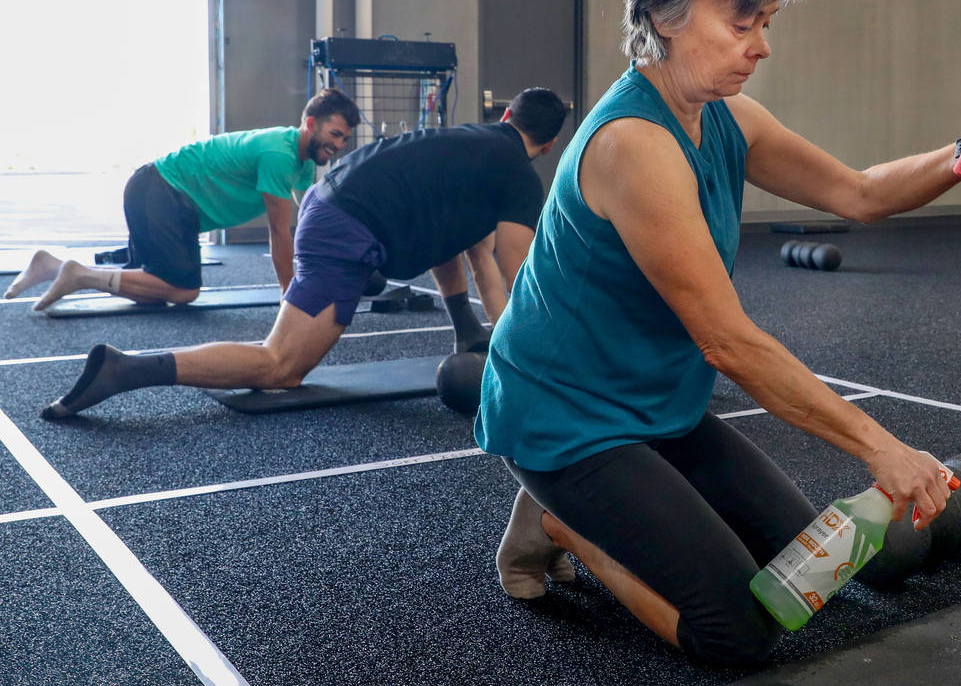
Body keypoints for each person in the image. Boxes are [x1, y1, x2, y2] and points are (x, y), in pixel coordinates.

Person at [474, 0, 961, 665]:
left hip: (655, 406)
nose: (761, 46)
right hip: (565, 417)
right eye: (742, 24)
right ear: (664, 14)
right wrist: (882, 448)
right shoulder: (633, 146)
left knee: (812, 570)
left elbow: (859, 192)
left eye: (766, 23)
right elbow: (729, 343)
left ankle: (586, 515)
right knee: (739, 631)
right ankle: (558, 523)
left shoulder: (727, 118)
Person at [40, 87, 567, 420]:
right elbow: (515, 266)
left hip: (330, 203)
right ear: (547, 148)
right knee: (282, 366)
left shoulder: (469, 143)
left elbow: (468, 247)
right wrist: (532, 356)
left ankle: (467, 329)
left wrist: (475, 332)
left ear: (503, 114)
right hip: (345, 230)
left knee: (286, 355)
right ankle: (125, 370)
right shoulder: (517, 176)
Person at [5, 88, 360, 309]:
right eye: (335, 134)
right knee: (183, 290)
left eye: (345, 139)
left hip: (163, 199)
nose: (340, 145)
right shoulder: (279, 154)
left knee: (152, 290)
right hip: (161, 194)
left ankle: (51, 266)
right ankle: (78, 275)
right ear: (311, 124)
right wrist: (290, 297)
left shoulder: (300, 159)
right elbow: (281, 231)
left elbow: (303, 221)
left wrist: (341, 252)